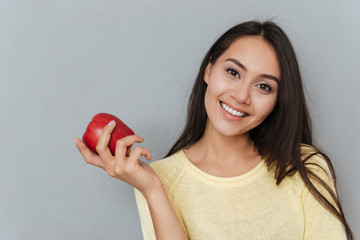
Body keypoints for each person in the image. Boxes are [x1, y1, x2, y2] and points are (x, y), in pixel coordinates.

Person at [74, 20, 353, 239]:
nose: (242, 96)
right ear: (208, 70)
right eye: (233, 72)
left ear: (278, 101)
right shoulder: (158, 179)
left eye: (263, 86)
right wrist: (153, 188)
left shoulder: (305, 167)